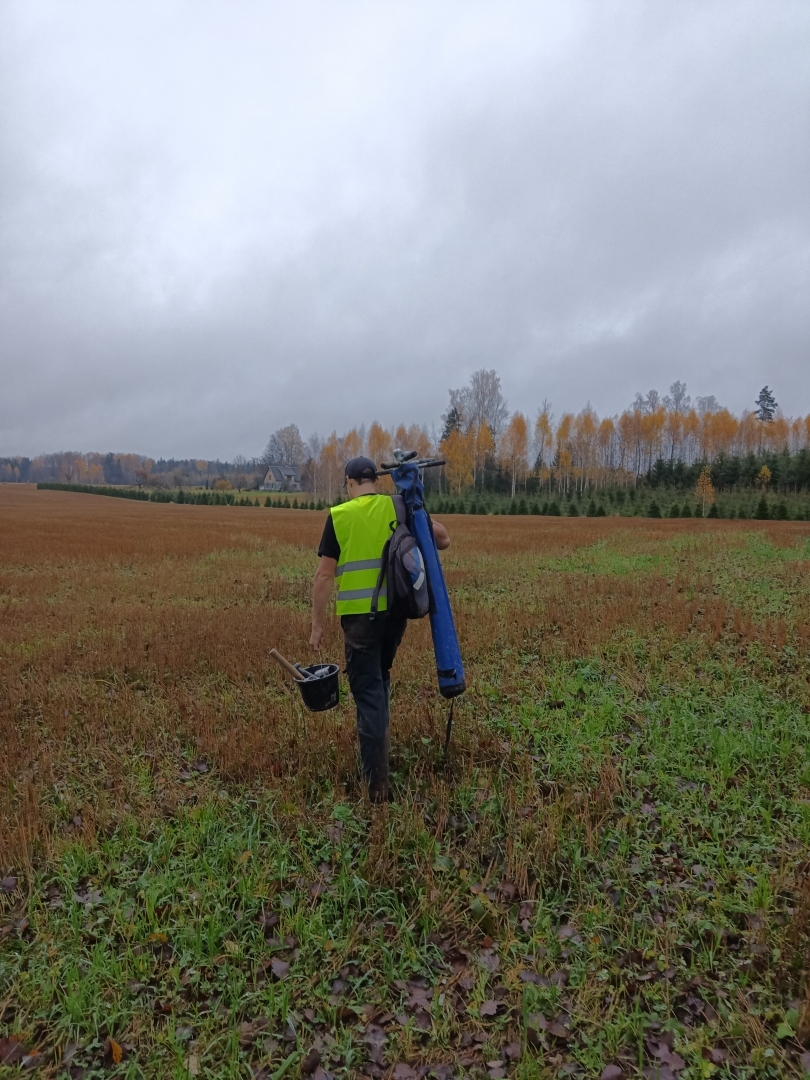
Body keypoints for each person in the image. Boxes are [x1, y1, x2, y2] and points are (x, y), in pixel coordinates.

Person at [310, 455, 450, 802]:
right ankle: (380, 756)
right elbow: (443, 540)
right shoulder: (399, 507)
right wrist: (415, 506)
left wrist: (316, 626)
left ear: (350, 483)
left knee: (370, 696)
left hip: (360, 624)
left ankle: (377, 789)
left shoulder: (340, 516)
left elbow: (325, 575)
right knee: (380, 680)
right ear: (377, 480)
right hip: (394, 618)